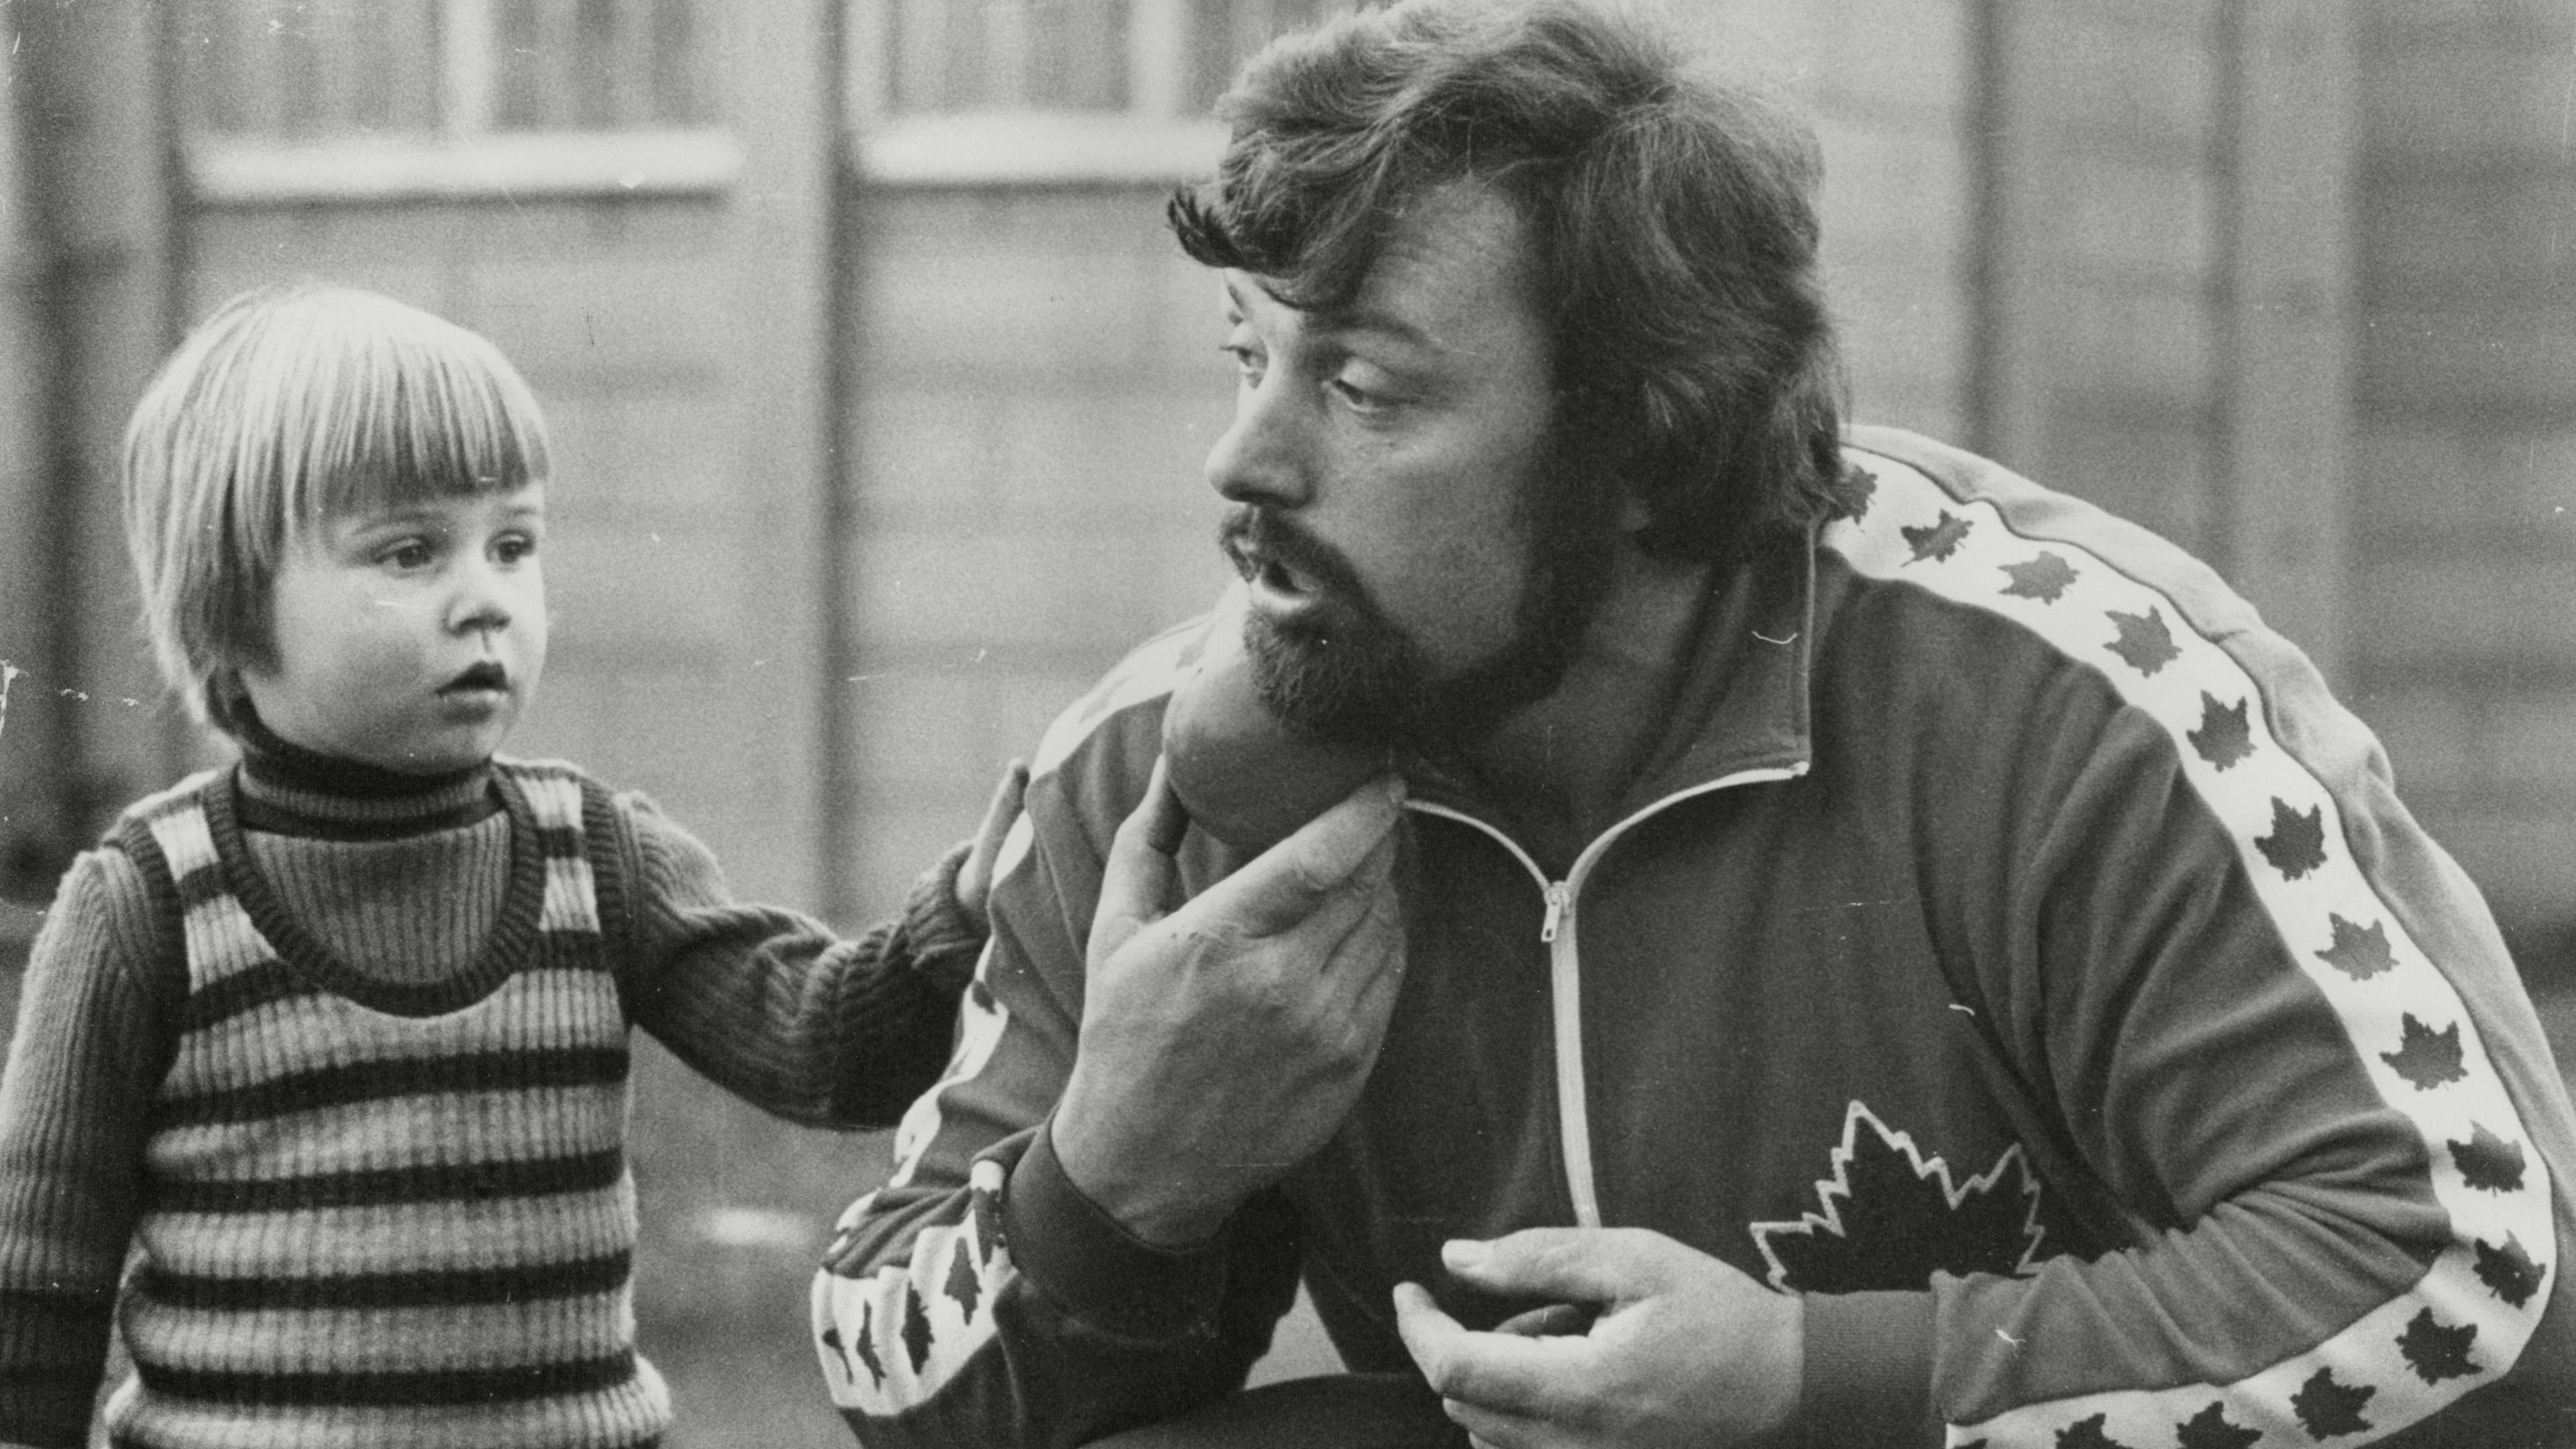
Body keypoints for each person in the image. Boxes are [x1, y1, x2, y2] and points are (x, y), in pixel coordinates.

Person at [811, 2, 2576, 1445]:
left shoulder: (2070, 702)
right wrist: (1112, 1183)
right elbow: (878, 1364)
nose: (1246, 460)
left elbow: (2469, 1268)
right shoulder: (1153, 781)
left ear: (1647, 437)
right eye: (1244, 355)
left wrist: (1816, 1381)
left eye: (1359, 385)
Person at [0, 283, 1020, 1449]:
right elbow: (37, 1282)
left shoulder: (596, 857)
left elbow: (831, 1052)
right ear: (229, 607)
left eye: (514, 543)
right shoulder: (148, 906)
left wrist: (964, 916)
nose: (485, 599)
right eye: (409, 551)